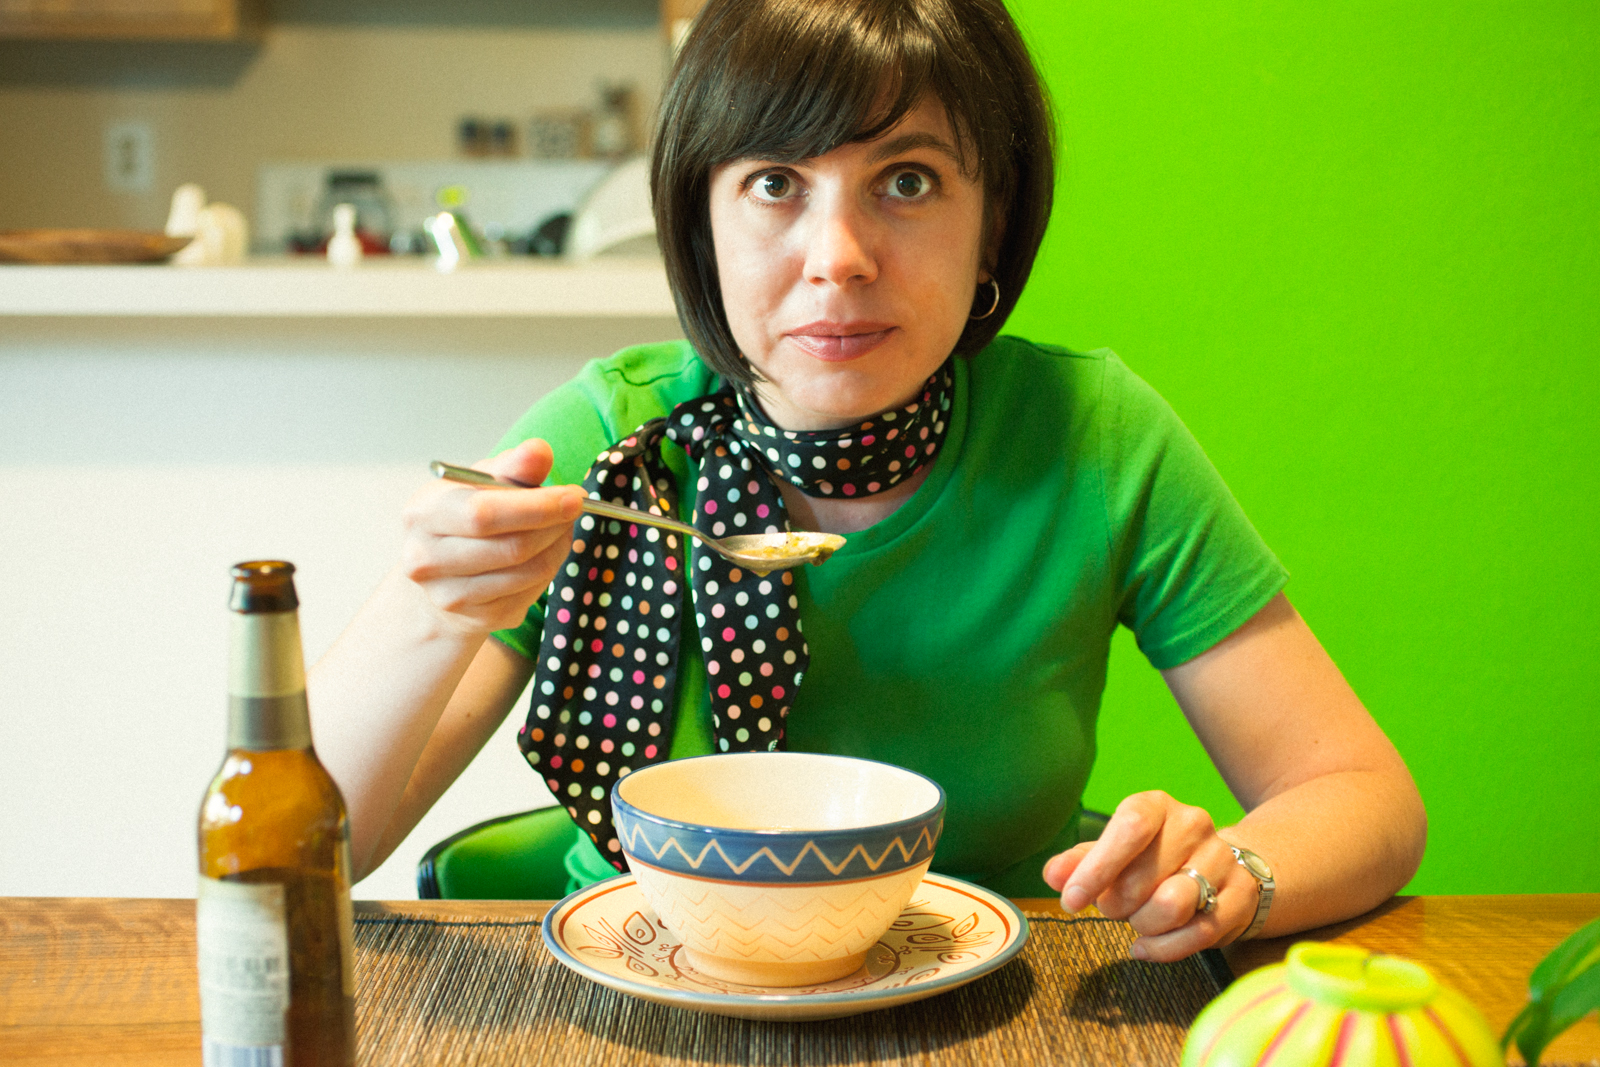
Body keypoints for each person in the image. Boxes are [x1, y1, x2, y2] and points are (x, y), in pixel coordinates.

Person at [310, 0, 1425, 963]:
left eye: (906, 180)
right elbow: (297, 853)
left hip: (981, 1007)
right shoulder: (613, 441)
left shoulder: (1093, 435)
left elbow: (1363, 797)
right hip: (632, 1001)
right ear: (701, 223)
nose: (837, 255)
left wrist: (1232, 873)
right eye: (774, 183)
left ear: (993, 222)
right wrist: (430, 604)